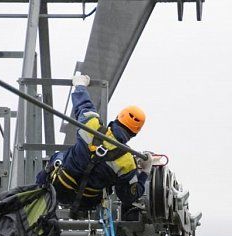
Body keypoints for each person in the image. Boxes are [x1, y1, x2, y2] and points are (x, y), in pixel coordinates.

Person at [36, 74, 153, 218]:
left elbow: (83, 106)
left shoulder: (92, 126)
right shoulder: (127, 163)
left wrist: (80, 86)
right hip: (88, 202)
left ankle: (38, 189)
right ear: (135, 133)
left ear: (118, 118)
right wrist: (145, 172)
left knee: (59, 157)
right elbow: (129, 196)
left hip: (59, 187)